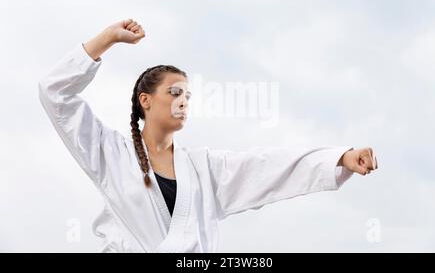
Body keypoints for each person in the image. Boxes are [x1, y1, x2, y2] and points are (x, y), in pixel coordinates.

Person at [38, 18, 378, 252]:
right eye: (174, 93)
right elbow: (55, 94)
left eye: (188, 96)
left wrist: (339, 157)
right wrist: (108, 38)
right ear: (145, 101)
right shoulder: (109, 154)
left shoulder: (203, 168)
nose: (184, 102)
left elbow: (267, 166)